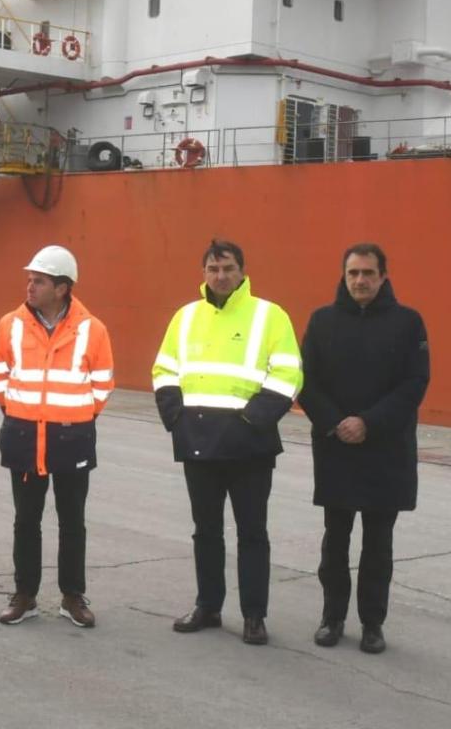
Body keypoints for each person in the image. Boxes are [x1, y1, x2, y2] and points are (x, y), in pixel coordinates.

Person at [152, 239, 302, 646]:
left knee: (253, 533)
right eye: (213, 269)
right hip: (198, 444)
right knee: (206, 531)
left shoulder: (270, 316)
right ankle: (209, 606)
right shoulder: (184, 318)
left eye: (228, 268)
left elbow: (288, 374)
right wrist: (176, 420)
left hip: (250, 448)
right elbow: (164, 370)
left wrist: (251, 421)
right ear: (203, 273)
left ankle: (254, 615)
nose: (221, 276)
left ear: (242, 272)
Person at [298, 243, 429, 654]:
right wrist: (337, 423)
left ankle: (373, 624)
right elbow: (307, 381)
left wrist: (368, 422)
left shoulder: (408, 323)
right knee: (334, 541)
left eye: (368, 273)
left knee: (378, 544)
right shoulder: (322, 322)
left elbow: (414, 384)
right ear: (343, 275)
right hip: (337, 447)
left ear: (383, 277)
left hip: (385, 451)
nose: (360, 280)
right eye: (353, 273)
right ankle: (332, 618)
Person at [0, 246, 114, 629]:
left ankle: (72, 596)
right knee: (25, 520)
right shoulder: (9, 324)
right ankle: (24, 595)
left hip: (71, 438)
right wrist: (19, 411)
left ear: (61, 288)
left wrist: (73, 417)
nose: (30, 285)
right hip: (24, 436)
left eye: (38, 281)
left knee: (72, 521)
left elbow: (103, 383)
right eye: (30, 279)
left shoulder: (92, 329)